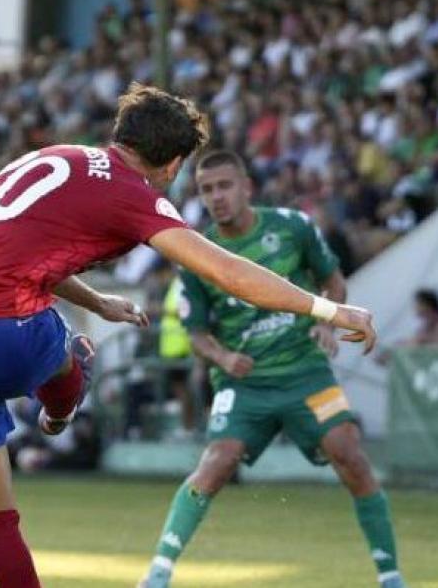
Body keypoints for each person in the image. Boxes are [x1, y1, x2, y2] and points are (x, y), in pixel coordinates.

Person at [0, 84, 378, 588]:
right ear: (172, 165)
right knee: (75, 352)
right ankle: (60, 409)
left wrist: (100, 302)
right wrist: (330, 308)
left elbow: (22, 255)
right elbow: (229, 273)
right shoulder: (133, 193)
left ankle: (55, 408)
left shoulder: (56, 155)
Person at [138, 151, 404, 588]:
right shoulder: (197, 252)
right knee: (216, 463)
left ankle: (390, 576)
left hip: (306, 373)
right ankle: (158, 573)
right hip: (245, 384)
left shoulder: (292, 226)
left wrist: (325, 321)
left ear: (246, 187)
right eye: (207, 190)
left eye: (225, 186)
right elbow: (197, 332)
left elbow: (333, 282)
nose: (217, 197)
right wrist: (223, 358)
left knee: (351, 454)